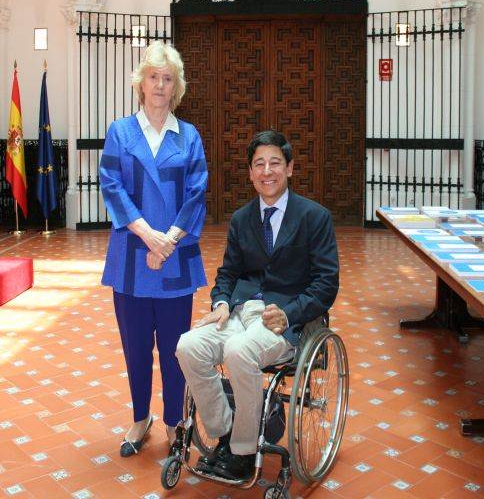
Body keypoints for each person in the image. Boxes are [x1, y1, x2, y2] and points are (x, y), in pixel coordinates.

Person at [176, 130, 339, 481]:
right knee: (188, 346)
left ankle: (243, 449)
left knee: (238, 351)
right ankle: (224, 431)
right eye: (259, 164)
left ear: (290, 168)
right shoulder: (242, 218)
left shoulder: (315, 217)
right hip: (238, 313)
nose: (267, 171)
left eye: (275, 163)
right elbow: (228, 273)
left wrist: (290, 313)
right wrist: (220, 302)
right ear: (250, 173)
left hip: (286, 321)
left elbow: (326, 284)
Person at [99, 40, 207, 457]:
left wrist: (169, 241)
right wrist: (150, 237)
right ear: (140, 83)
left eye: (168, 79)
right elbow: (112, 186)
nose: (160, 85)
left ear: (176, 88)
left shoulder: (190, 136)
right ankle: (140, 417)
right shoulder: (120, 132)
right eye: (153, 77)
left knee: (177, 348)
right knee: (136, 344)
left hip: (177, 260)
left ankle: (176, 423)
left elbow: (197, 194)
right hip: (131, 259)